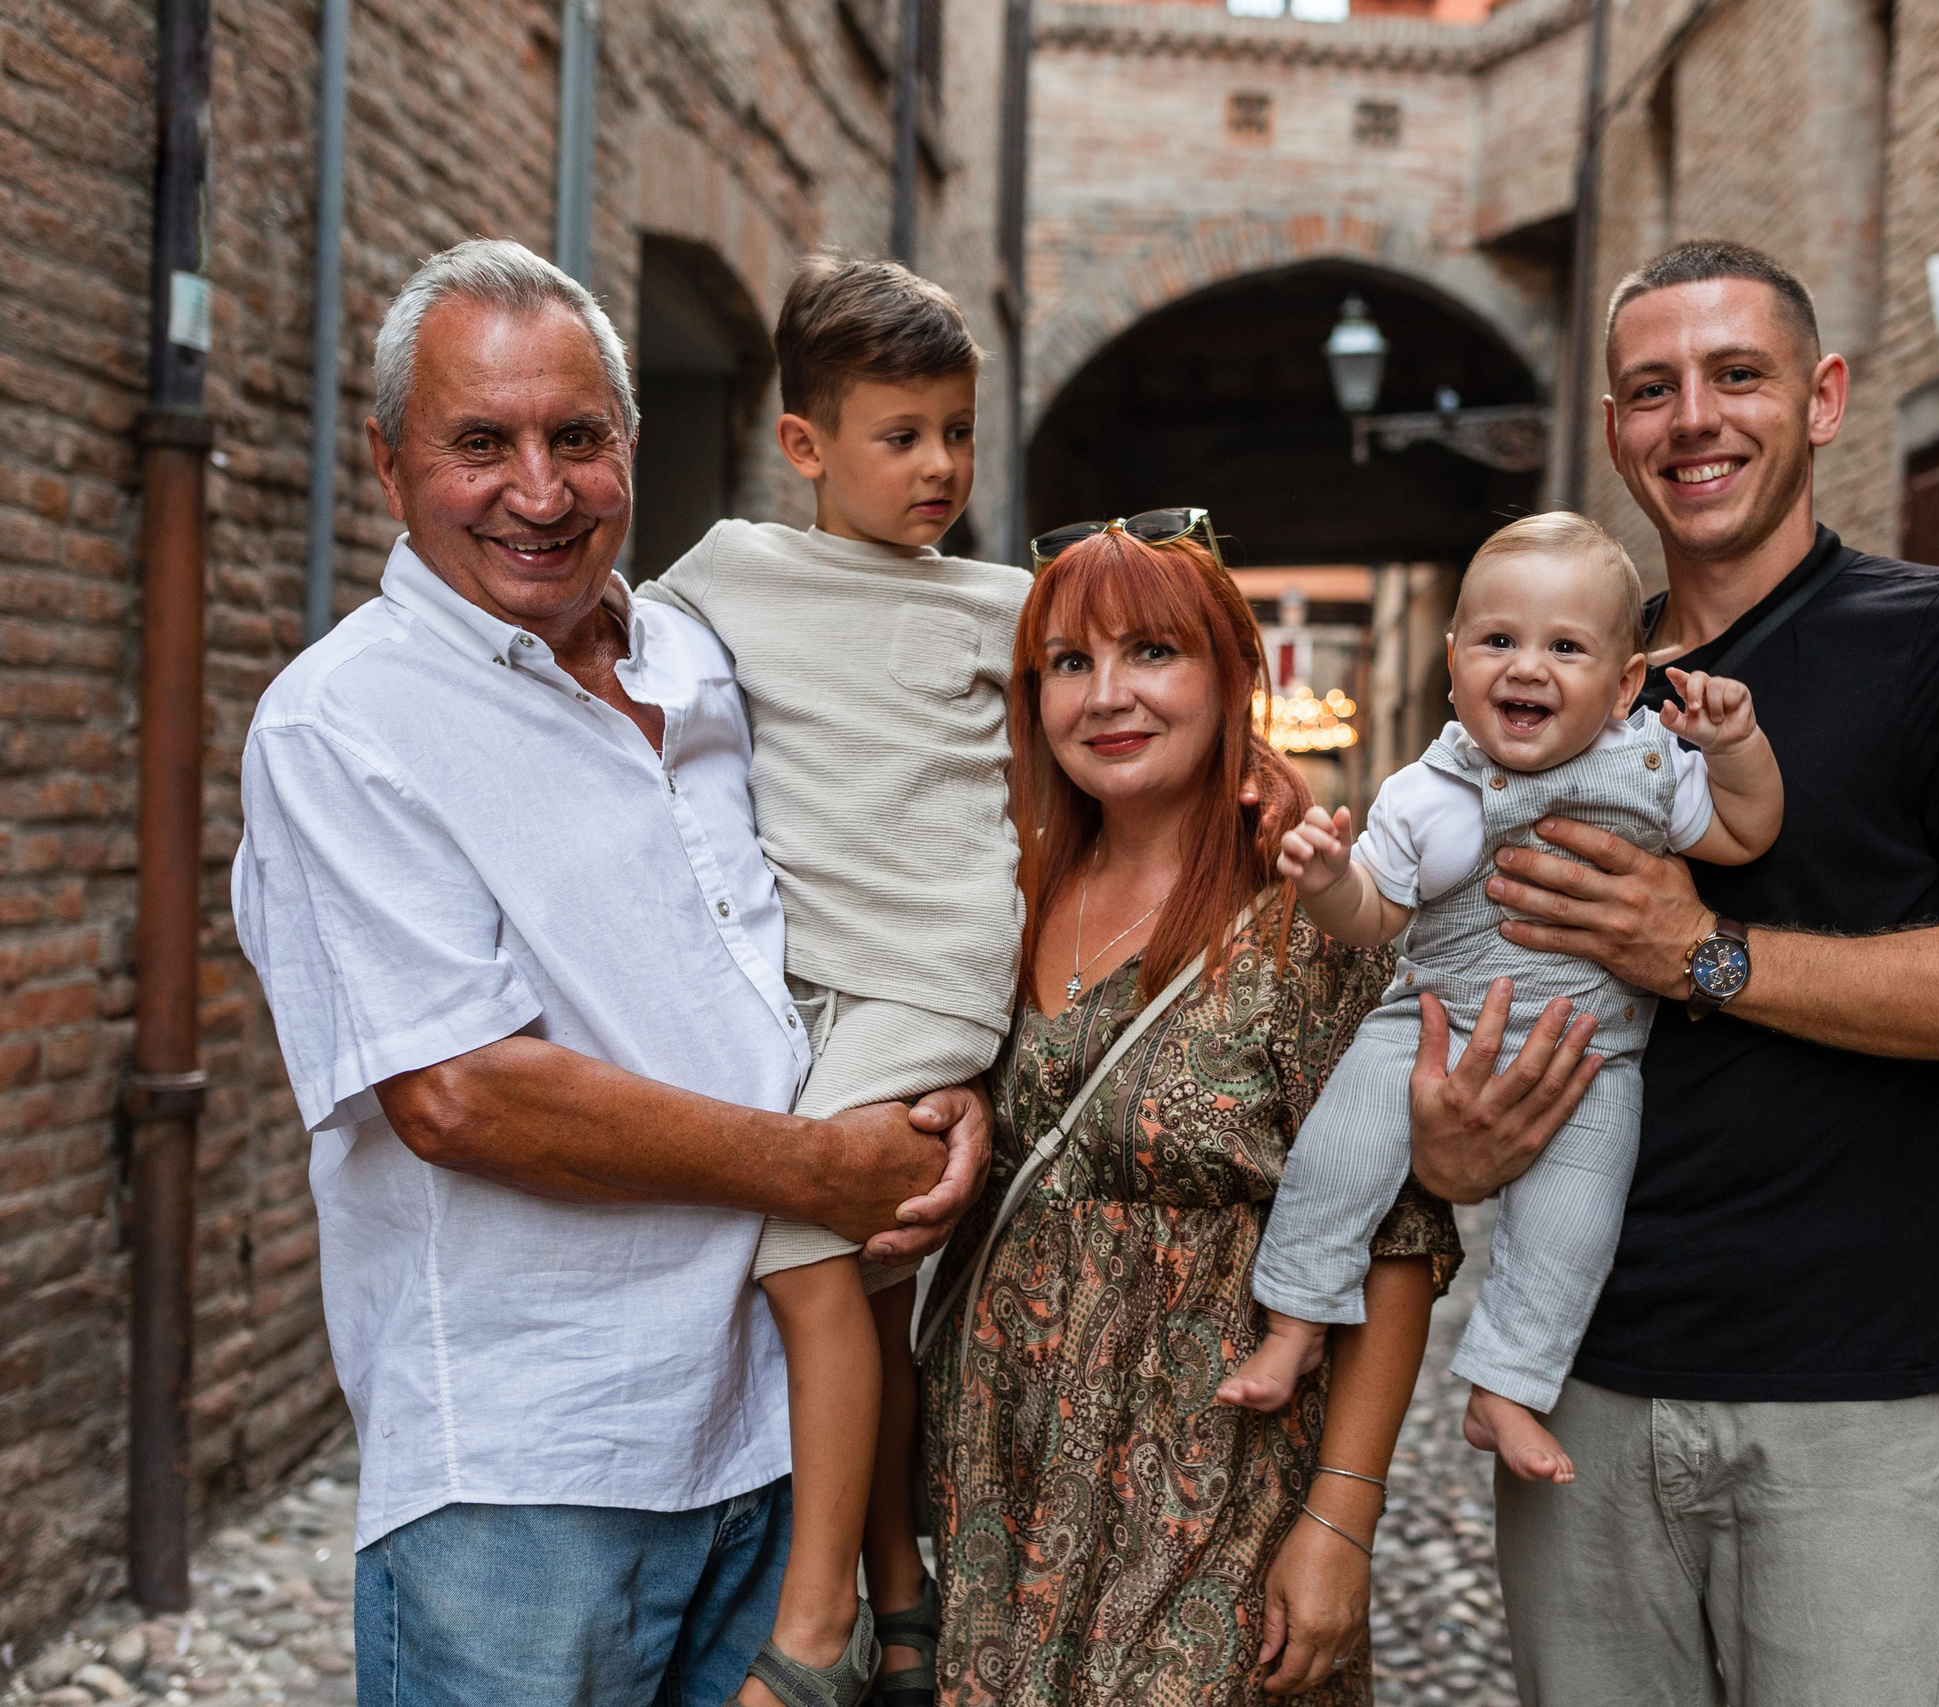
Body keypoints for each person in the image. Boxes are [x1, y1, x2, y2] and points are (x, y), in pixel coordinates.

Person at [229, 239, 989, 1706]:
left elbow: (885, 853)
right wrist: (825, 1168)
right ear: (390, 466)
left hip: (773, 1435)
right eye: (480, 444)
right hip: (533, 1472)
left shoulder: (703, 663)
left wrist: (937, 1074)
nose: (539, 487)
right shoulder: (342, 726)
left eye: (577, 437)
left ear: (629, 446)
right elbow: (460, 1093)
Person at [1407, 239, 1939, 1703]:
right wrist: (1445, 1140)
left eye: (1740, 376)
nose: (1695, 419)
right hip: (1579, 1384)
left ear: (1823, 399)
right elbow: (1450, 977)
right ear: (1613, 429)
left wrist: (1705, 954)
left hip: (1845, 1392)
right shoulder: (1555, 683)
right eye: (1652, 389)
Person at [918, 516, 1461, 1704]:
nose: (1106, 696)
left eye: (1151, 652)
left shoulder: (1308, 914)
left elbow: (1399, 1238)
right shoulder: (1001, 894)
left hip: (1218, 1487)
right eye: (1068, 662)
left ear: (1228, 676)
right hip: (994, 1482)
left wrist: (1342, 1520)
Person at [636, 254, 1022, 1707]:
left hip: (931, 975)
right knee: (864, 1297)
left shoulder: (1003, 603)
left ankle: (809, 1636)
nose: (939, 465)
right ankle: (907, 1599)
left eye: (958, 431)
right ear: (805, 443)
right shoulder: (731, 571)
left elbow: (1114, 725)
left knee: (802, 1257)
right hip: (809, 991)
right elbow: (613, 654)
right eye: (901, 433)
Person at [1220, 512, 1781, 1492]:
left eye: (1565, 647)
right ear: (1452, 663)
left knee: (1574, 1221)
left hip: (1592, 1054)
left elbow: (1744, 835)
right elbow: (1375, 916)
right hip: (1428, 1021)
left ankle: (1507, 1385)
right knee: (1336, 1154)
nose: (1527, 667)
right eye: (1498, 641)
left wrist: (1735, 749)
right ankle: (1295, 1323)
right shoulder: (1424, 791)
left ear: (1621, 686)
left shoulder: (1651, 767)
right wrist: (1323, 883)